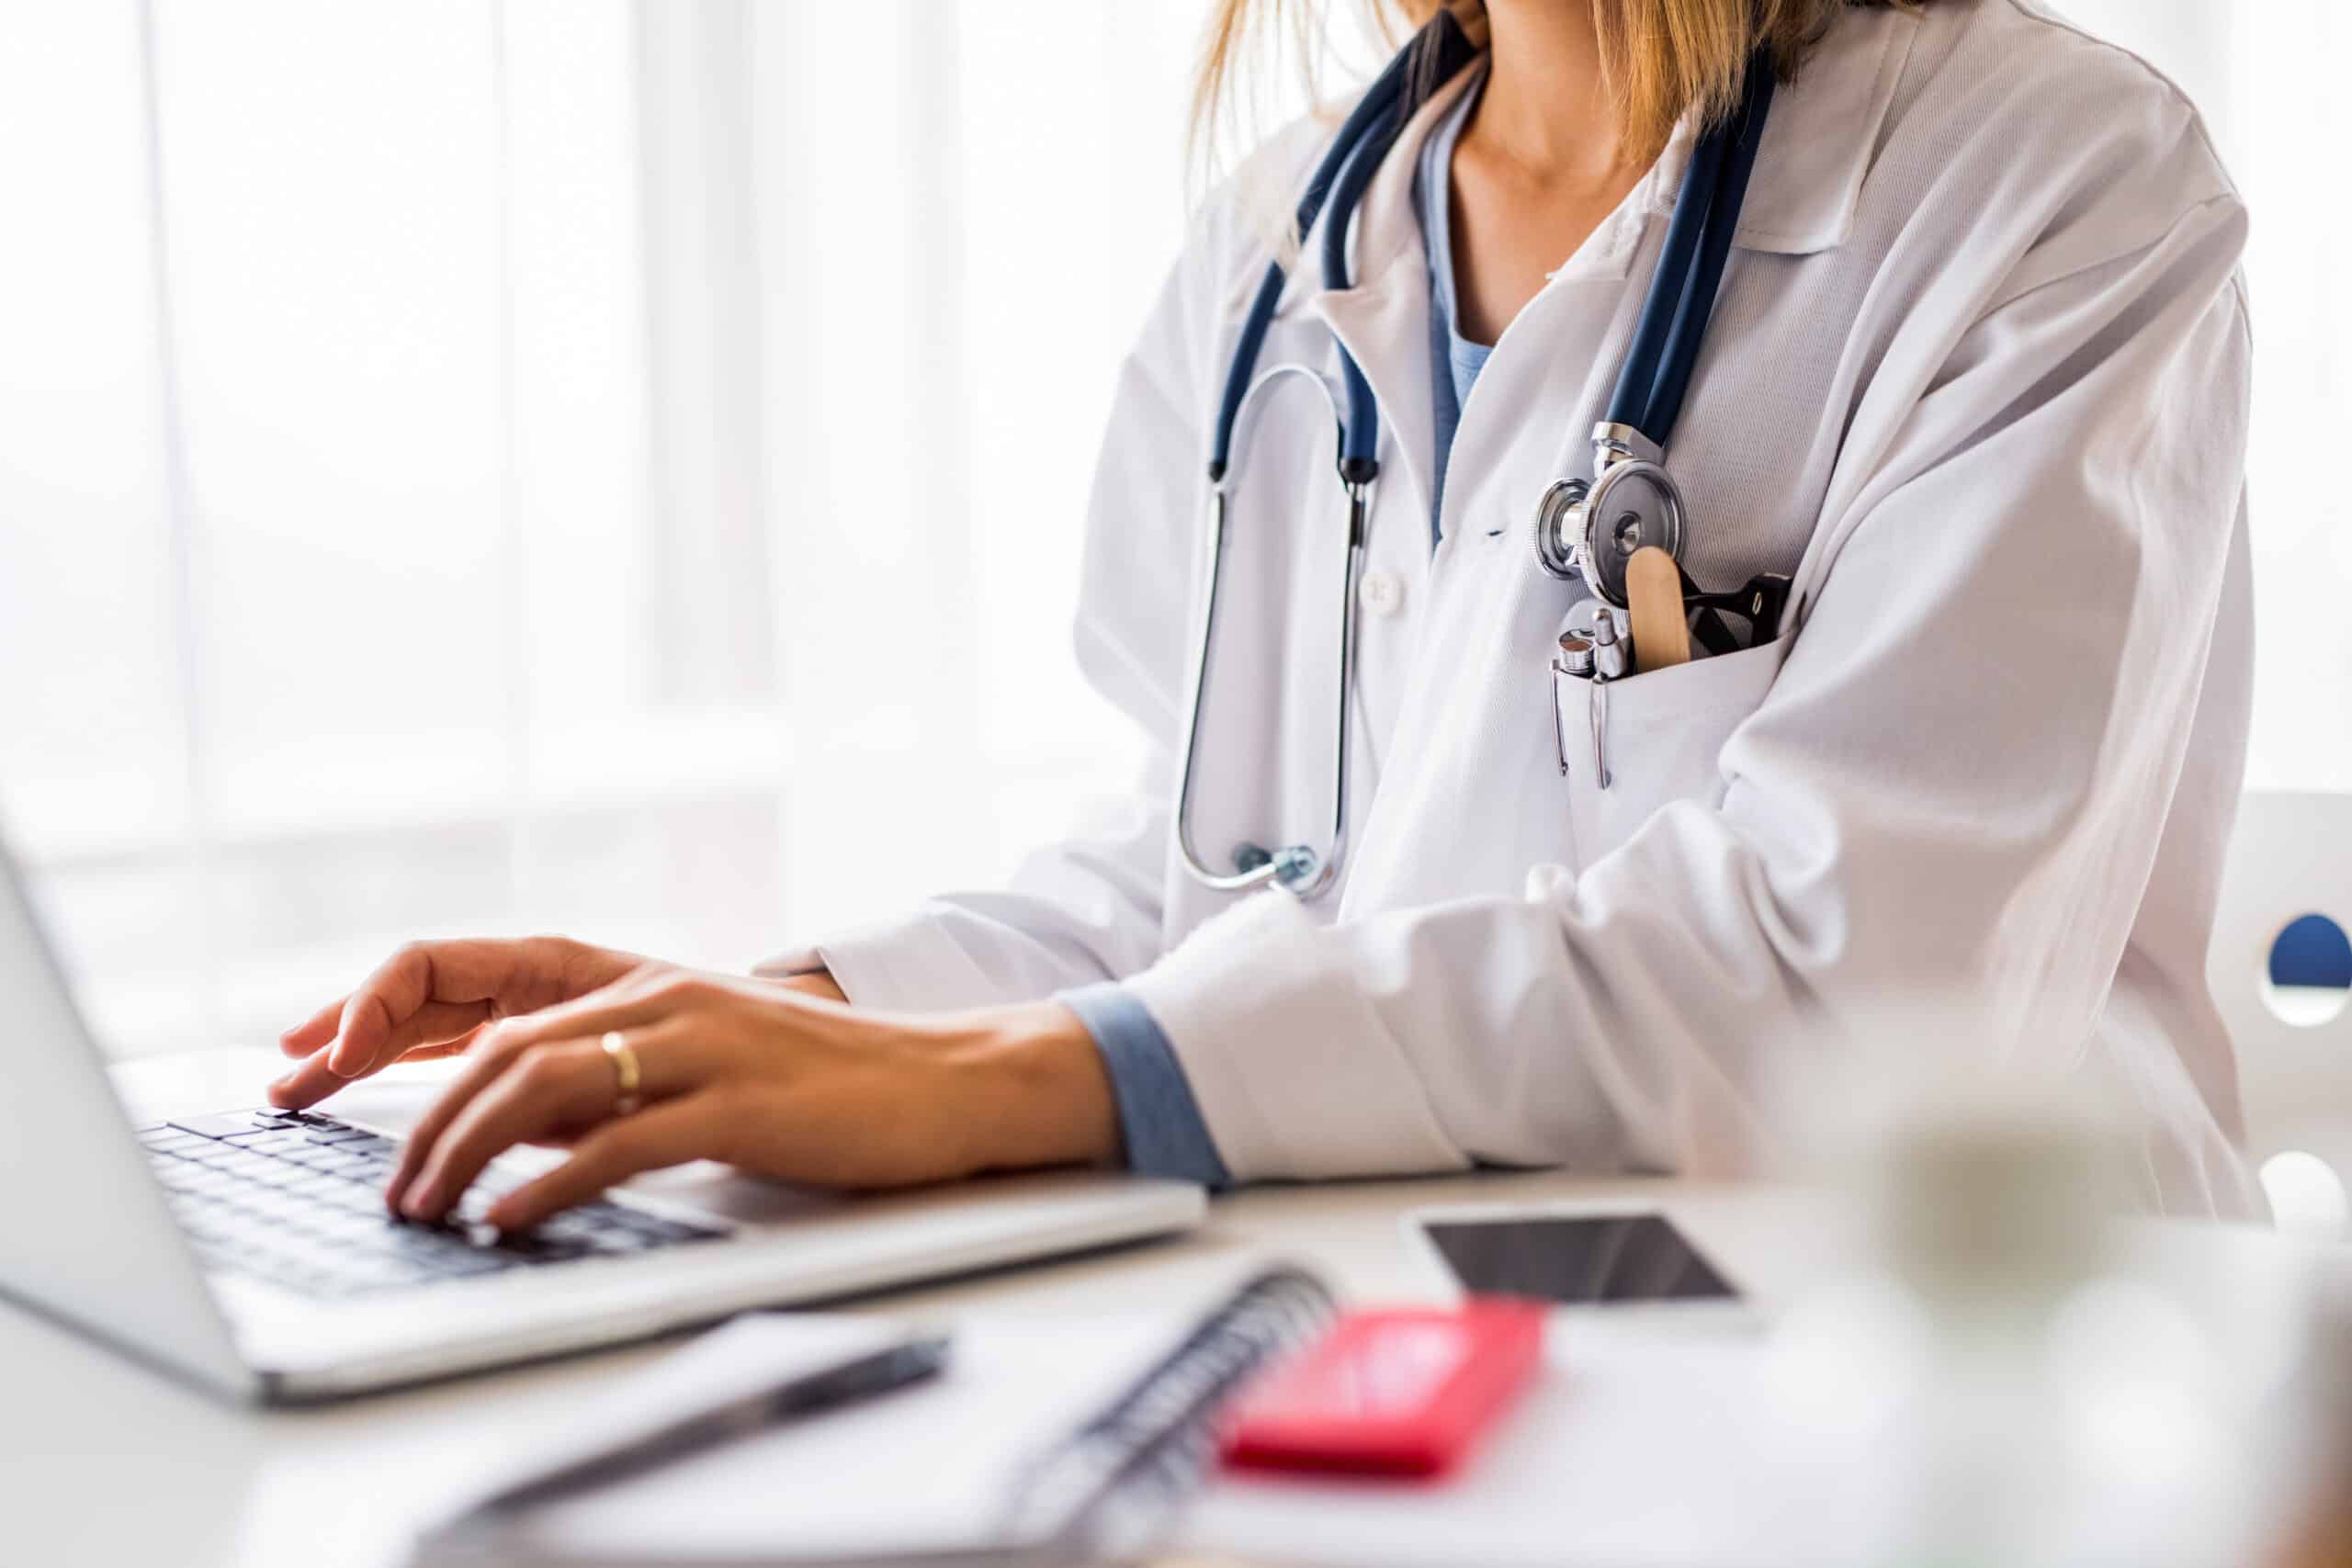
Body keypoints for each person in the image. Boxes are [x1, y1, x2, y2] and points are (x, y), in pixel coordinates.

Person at [270, 0, 2262, 1229]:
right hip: (1424, 1322)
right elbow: (1208, 880)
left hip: (1969, 1375)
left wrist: (1019, 1082)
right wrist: (782, 1015)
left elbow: (1857, 997)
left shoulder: (2046, 186)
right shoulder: (1283, 239)